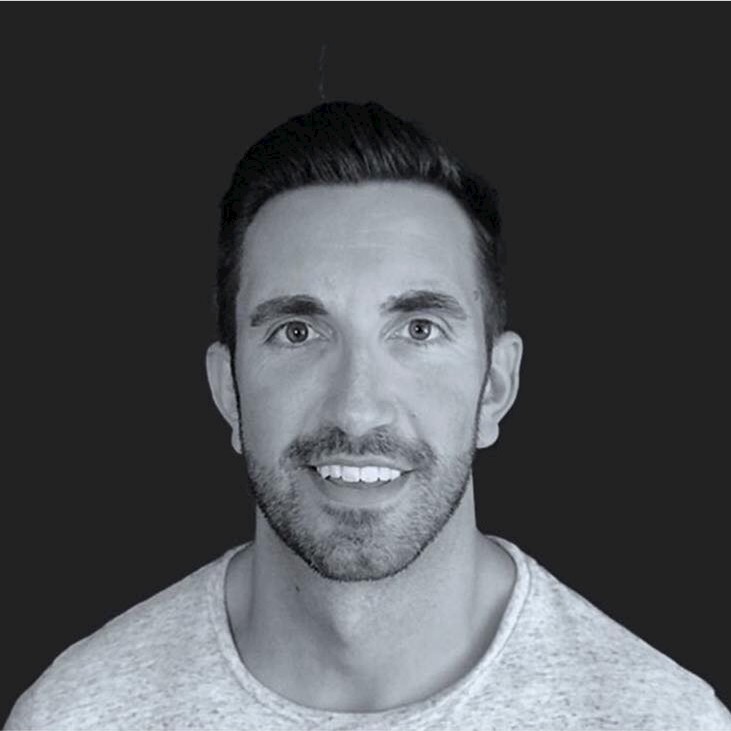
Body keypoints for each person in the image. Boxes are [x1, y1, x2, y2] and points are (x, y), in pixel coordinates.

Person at [5, 101, 730, 731]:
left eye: (418, 329)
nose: (356, 408)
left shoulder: (662, 719)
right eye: (297, 332)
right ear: (228, 391)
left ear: (495, 386)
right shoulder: (76, 716)